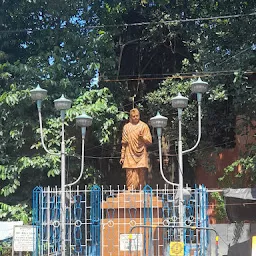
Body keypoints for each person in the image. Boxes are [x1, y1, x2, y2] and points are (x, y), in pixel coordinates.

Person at [120, 108, 152, 190]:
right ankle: (130, 188)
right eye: (133, 116)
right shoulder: (126, 127)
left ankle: (140, 188)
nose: (135, 118)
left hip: (141, 152)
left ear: (139, 116)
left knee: (141, 172)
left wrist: (143, 138)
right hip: (129, 152)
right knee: (129, 172)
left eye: (137, 116)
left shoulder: (144, 126)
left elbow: (149, 141)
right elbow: (124, 143)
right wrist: (122, 156)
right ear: (130, 117)